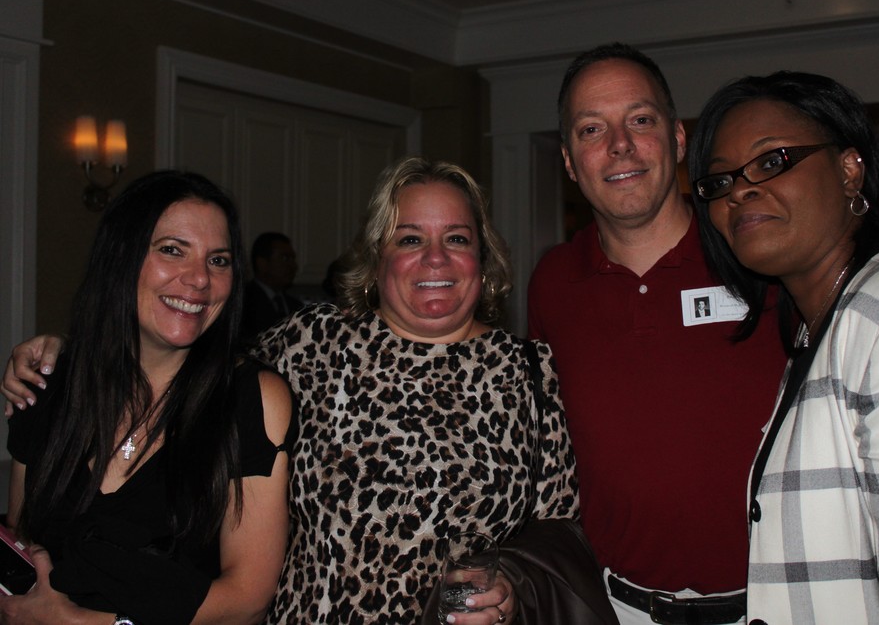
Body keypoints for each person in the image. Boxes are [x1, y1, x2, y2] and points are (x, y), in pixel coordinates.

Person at [4, 158, 605, 625]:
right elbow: (184, 347)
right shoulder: (311, 341)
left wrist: (510, 585)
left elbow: (560, 531)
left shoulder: (530, 373)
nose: (434, 259)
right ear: (376, 255)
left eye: (457, 238)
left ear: (484, 255)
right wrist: (63, 351)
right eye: (408, 239)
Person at [688, 70, 879, 623]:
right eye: (720, 181)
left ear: (849, 169)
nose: (739, 190)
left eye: (772, 161)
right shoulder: (824, 323)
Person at [528, 42, 789, 625]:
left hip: (774, 606)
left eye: (640, 120)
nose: (620, 144)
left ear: (677, 138)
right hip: (618, 608)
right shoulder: (552, 282)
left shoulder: (755, 253)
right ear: (569, 161)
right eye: (592, 129)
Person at [0, 171, 293, 624]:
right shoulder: (48, 383)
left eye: (218, 260)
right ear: (122, 256)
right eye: (172, 250)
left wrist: (86, 624)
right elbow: (23, 550)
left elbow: (247, 601)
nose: (200, 279)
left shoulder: (250, 400)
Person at [241, 232, 302, 341]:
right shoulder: (243, 303)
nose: (293, 266)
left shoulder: (297, 306)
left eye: (293, 259)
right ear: (262, 263)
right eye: (285, 258)